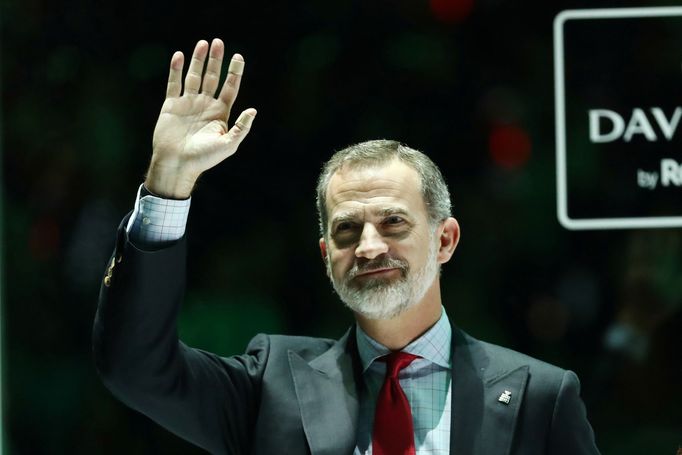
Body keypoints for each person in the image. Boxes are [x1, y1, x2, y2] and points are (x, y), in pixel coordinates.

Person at [93, 38, 600, 454]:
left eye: (394, 222)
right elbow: (135, 368)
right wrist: (169, 182)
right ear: (324, 255)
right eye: (346, 230)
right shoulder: (272, 385)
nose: (369, 246)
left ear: (445, 240)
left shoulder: (541, 396)